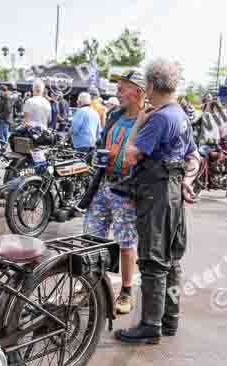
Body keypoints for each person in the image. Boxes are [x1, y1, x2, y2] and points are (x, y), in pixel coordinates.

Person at [115, 58, 200, 344]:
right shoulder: (181, 115)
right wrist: (186, 182)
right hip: (173, 190)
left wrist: (139, 122)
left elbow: (130, 155)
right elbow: (193, 157)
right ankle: (169, 319)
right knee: (172, 257)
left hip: (156, 193)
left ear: (150, 85)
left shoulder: (160, 117)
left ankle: (150, 324)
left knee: (152, 258)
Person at [84, 68, 148, 315]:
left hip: (127, 189)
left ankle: (126, 292)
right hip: (103, 183)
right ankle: (91, 284)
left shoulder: (148, 120)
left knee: (125, 242)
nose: (117, 91)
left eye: (123, 87)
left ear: (139, 92)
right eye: (118, 86)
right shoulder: (114, 114)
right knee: (92, 237)